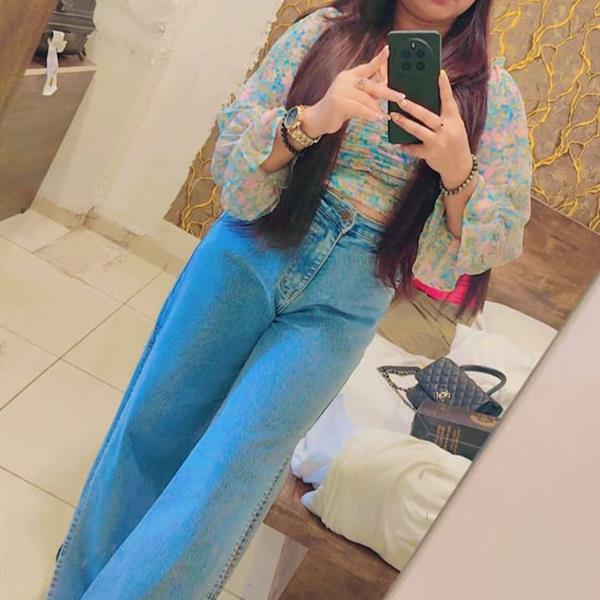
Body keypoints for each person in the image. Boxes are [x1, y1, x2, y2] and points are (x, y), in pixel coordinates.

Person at [46, 1, 532, 598]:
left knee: (229, 472)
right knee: (155, 428)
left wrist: (458, 170)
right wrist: (314, 118)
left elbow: (496, 238)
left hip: (347, 297)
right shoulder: (326, 31)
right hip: (252, 249)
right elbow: (234, 152)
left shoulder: (494, 97)